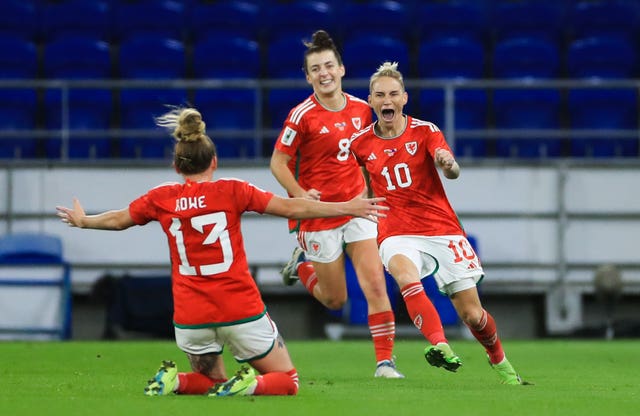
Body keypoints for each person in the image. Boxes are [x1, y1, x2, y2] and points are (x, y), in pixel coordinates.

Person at [56, 107, 389, 397]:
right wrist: (347, 206)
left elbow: (117, 220)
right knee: (288, 381)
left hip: (190, 317)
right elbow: (291, 208)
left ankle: (178, 382)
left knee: (211, 381)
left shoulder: (161, 198)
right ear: (214, 161)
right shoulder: (233, 190)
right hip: (239, 307)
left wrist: (84, 221)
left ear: (176, 166)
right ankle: (252, 385)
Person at [349, 62, 530, 385]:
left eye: (393, 94)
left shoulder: (425, 131)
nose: (387, 100)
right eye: (380, 95)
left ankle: (500, 362)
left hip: (441, 229)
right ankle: (440, 344)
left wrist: (449, 165)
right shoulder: (360, 144)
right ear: (371, 101)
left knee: (473, 315)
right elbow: (364, 183)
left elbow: (452, 169)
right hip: (396, 231)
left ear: (404, 98)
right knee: (405, 276)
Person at [270, 30, 403, 378]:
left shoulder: (363, 110)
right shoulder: (302, 116)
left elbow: (372, 156)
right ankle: (302, 266)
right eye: (316, 69)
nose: (324, 73)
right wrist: (299, 194)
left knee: (375, 282)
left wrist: (373, 190)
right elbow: (278, 163)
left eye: (329, 65)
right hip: (319, 216)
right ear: (308, 76)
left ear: (342, 69)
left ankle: (385, 363)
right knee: (335, 300)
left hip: (358, 209)